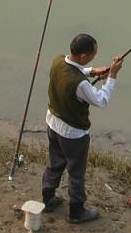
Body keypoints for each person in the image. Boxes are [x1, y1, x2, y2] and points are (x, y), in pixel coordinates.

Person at [42, 33, 124, 224]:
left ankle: (47, 199)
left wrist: (94, 71)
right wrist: (111, 76)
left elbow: (74, 70)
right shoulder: (80, 84)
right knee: (76, 173)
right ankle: (76, 212)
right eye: (93, 54)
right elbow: (101, 100)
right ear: (84, 56)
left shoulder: (57, 61)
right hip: (73, 134)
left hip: (53, 124)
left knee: (54, 163)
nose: (94, 57)